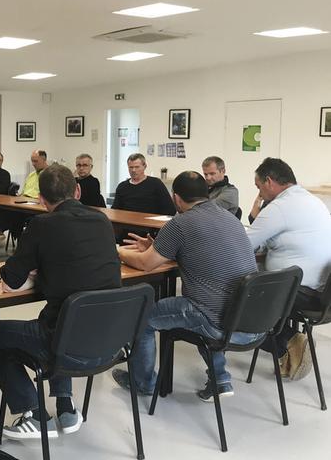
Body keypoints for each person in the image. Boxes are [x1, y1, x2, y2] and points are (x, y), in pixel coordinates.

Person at [0, 164, 121, 440]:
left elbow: (11, 282)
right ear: (77, 191)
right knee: (59, 315)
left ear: (41, 199)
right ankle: (65, 406)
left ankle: (33, 412)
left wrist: (36, 268)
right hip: (109, 342)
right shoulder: (102, 220)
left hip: (65, 344)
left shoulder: (41, 225)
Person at [113, 171, 260, 401]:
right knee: (211, 298)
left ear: (176, 198)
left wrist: (118, 251)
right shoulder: (230, 218)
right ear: (207, 194)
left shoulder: (180, 223)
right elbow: (203, 253)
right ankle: (220, 379)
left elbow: (145, 264)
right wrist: (158, 247)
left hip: (217, 322)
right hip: (250, 320)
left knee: (142, 317)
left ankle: (143, 383)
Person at [246, 158, 331, 380]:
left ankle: (288, 342)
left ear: (269, 181)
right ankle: (289, 340)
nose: (259, 194)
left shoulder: (279, 207)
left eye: (258, 187)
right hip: (321, 293)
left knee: (236, 301)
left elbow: (244, 243)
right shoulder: (313, 201)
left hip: (300, 291)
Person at [112, 153, 175, 242]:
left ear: (145, 166)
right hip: (127, 229)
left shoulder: (155, 184)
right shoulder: (122, 186)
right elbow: (115, 210)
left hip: (150, 230)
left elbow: (169, 209)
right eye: (131, 167)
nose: (133, 170)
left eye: (137, 167)